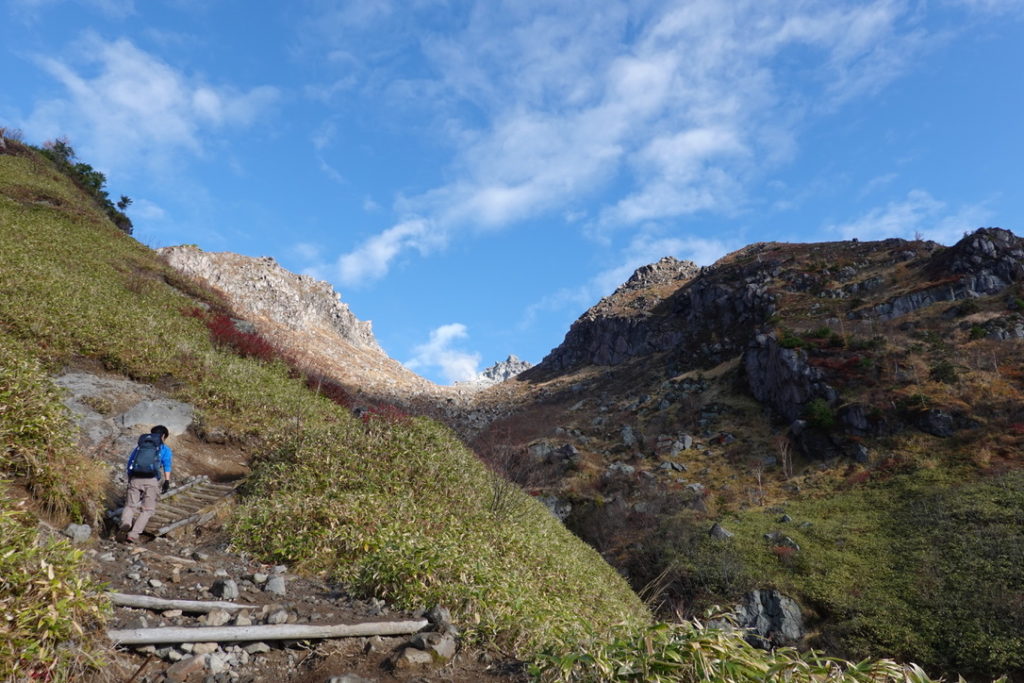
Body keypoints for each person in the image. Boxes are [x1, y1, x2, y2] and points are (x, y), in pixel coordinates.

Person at [120, 425, 173, 543]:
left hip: (135, 478)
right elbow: (167, 465)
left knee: (130, 505)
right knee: (148, 509)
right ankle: (133, 535)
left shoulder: (140, 447)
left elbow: (130, 462)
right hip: (151, 480)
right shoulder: (165, 449)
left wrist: (130, 478)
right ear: (163, 436)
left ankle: (126, 522)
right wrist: (167, 481)